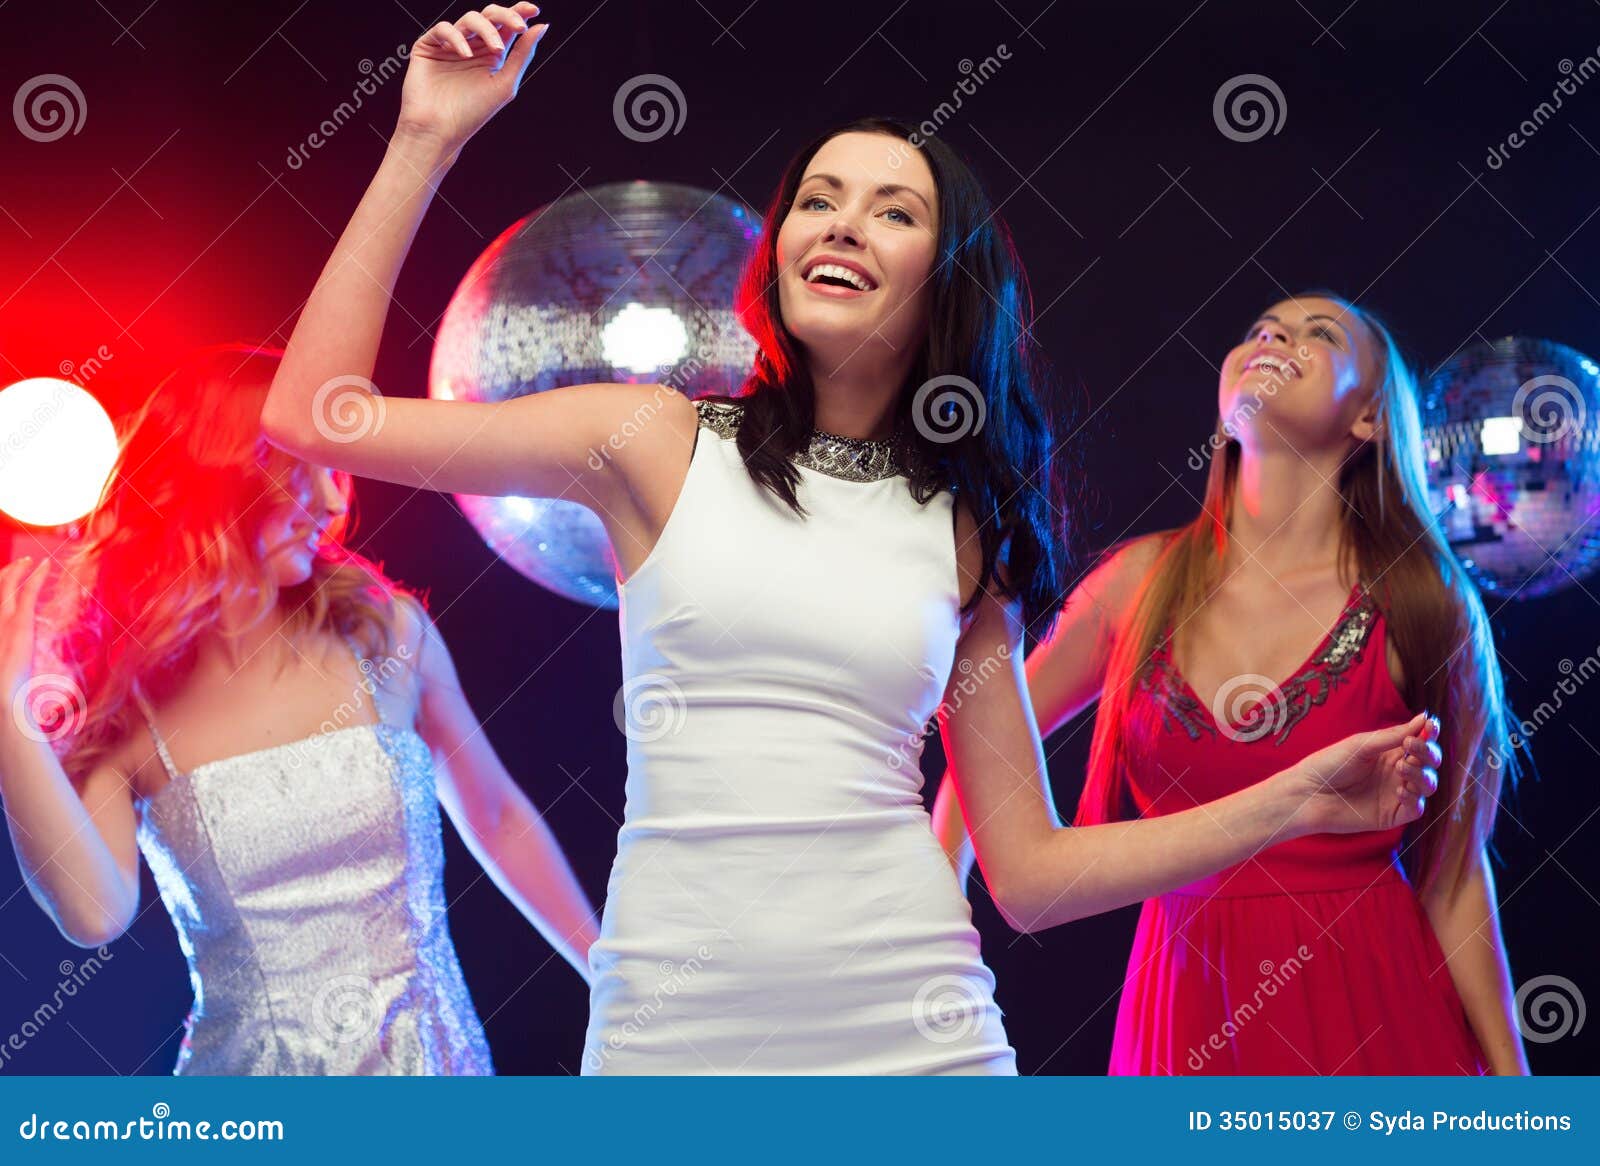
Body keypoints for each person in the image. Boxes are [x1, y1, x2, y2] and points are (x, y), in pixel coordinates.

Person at [257, 6, 1444, 1074]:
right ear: (779, 249)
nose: (843, 223)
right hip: (675, 1039)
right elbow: (315, 415)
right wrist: (425, 137)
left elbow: (1026, 876)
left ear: (944, 278)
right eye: (819, 198)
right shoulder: (650, 441)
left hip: (917, 1036)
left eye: (894, 208)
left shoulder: (966, 531)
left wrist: (1289, 802)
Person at [933, 292, 1529, 1075]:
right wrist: (936, 938)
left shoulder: (1424, 600)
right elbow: (978, 756)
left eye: (1320, 334)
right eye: (1261, 329)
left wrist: (1517, 1098)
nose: (1276, 335)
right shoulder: (1133, 587)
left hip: (1379, 1019)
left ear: (1371, 421)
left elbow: (1454, 876)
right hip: (1181, 1016)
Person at [0, 344, 600, 1075]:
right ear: (211, 482)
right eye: (291, 469)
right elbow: (94, 916)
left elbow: (497, 816)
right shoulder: (127, 708)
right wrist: (11, 714)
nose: (333, 501)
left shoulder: (386, 633)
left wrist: (611, 975)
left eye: (333, 466)